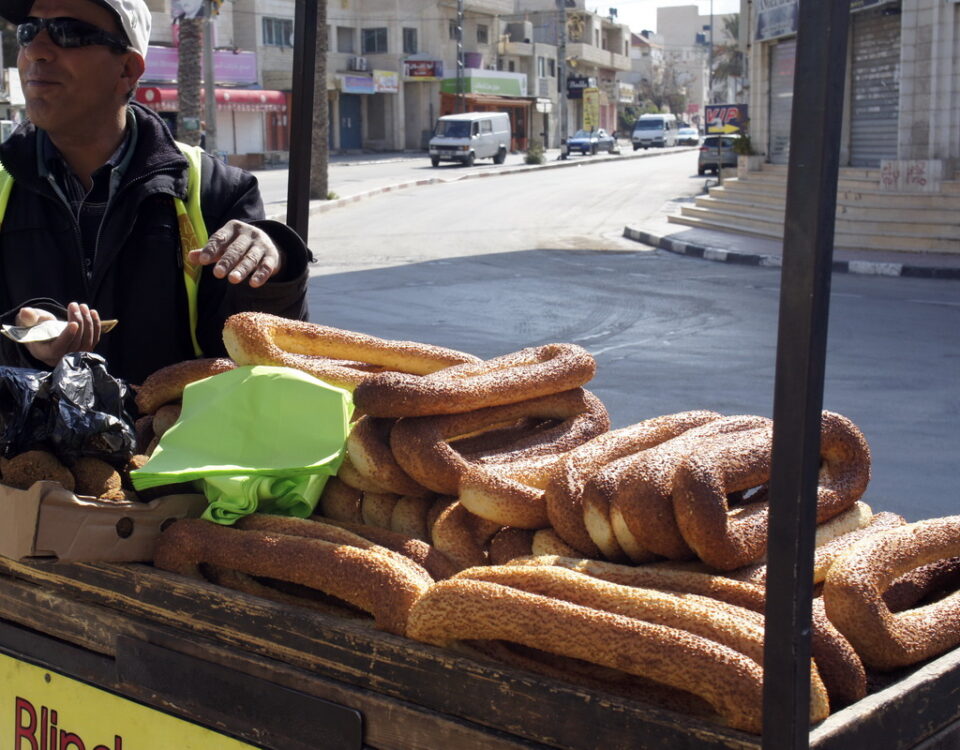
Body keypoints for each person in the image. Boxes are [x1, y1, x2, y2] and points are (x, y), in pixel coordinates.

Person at [0, 0, 311, 388]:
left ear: (128, 70)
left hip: (175, 428)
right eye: (28, 31)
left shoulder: (218, 190)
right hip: (29, 429)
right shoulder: (4, 186)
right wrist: (23, 346)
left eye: (68, 33)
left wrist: (277, 265)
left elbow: (261, 355)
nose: (35, 51)